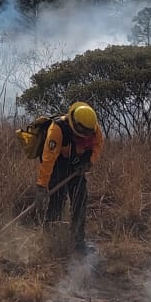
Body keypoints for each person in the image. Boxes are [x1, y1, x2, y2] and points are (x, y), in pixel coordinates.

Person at [33, 101, 105, 250]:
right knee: (57, 200)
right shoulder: (57, 129)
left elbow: (98, 144)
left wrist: (89, 161)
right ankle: (49, 238)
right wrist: (42, 186)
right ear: (74, 125)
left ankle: (78, 240)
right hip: (58, 163)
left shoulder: (92, 128)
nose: (86, 135)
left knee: (80, 199)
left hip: (77, 164)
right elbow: (48, 159)